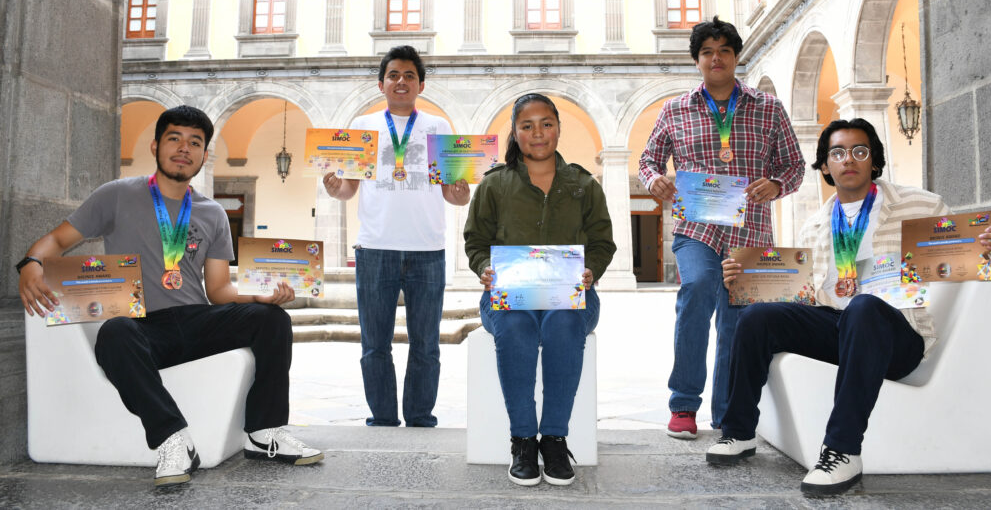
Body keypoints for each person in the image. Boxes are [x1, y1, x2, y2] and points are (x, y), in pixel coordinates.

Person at [706, 118, 991, 495]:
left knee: (864, 306)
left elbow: (962, 254)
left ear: (873, 160)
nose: (848, 159)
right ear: (825, 166)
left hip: (896, 334)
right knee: (757, 318)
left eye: (859, 151)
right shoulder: (816, 224)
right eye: (837, 153)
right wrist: (746, 277)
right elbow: (806, 296)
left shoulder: (921, 204)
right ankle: (738, 432)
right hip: (839, 328)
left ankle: (842, 451)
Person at [17, 105, 322, 487]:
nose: (184, 148)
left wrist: (260, 297)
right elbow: (59, 240)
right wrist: (30, 262)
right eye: (174, 138)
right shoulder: (116, 195)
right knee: (114, 334)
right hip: (143, 329)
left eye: (195, 142)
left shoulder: (211, 213)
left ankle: (264, 432)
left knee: (273, 320)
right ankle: (172, 438)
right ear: (156, 145)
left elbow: (218, 290)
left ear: (204, 154)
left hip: (196, 321)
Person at [638, 16, 805, 439]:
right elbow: (648, 161)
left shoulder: (767, 108)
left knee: (738, 320)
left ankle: (728, 411)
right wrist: (655, 180)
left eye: (724, 51)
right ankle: (683, 405)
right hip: (696, 228)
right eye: (708, 52)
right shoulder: (676, 109)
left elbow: (795, 165)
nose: (716, 58)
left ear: (735, 58)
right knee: (695, 291)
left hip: (750, 234)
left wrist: (777, 183)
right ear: (697, 60)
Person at [464, 93, 615, 487]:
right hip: (508, 297)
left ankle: (554, 438)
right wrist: (484, 269)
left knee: (564, 325)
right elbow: (475, 242)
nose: (537, 133)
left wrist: (590, 270)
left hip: (571, 297)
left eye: (546, 123)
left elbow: (603, 242)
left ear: (558, 129)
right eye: (527, 125)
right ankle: (523, 441)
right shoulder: (494, 185)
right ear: (514, 132)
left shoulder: (583, 184)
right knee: (515, 330)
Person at [323, 45, 470, 427]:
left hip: (427, 249)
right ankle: (383, 418)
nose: (401, 82)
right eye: (393, 75)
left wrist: (459, 192)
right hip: (375, 248)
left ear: (421, 84)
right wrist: (334, 187)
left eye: (408, 75)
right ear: (381, 83)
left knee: (426, 345)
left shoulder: (439, 127)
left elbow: (455, 193)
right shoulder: (362, 126)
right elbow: (348, 190)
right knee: (375, 345)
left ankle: (420, 416)